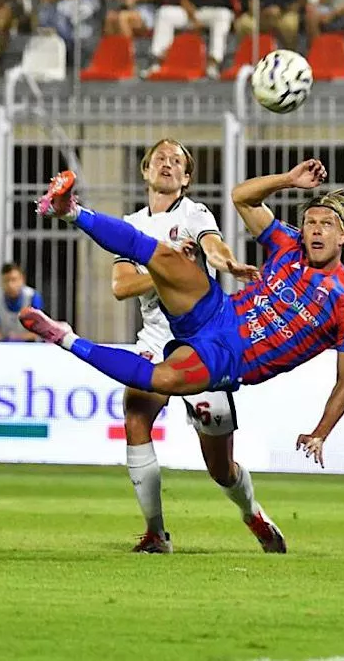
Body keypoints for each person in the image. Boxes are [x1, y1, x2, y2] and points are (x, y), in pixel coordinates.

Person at [21, 160, 344, 480]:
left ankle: (65, 338)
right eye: (311, 223)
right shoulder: (289, 244)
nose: (316, 231)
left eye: (326, 225)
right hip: (218, 311)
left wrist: (321, 433)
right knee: (165, 258)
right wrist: (289, 180)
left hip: (230, 358)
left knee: (164, 381)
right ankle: (71, 211)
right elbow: (241, 197)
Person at [112, 139, 284, 555]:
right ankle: (156, 533)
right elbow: (120, 286)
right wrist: (168, 271)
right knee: (136, 414)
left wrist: (225, 263)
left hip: (201, 342)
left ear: (186, 179)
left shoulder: (195, 214)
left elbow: (214, 247)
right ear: (145, 170)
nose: (167, 164)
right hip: (155, 340)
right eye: (160, 159)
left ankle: (252, 513)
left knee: (221, 469)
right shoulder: (129, 225)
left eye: (177, 161)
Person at [0, 262, 43, 342]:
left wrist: (17, 338)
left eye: (14, 279)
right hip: (3, 345)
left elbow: (38, 331)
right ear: (1, 282)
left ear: (22, 280)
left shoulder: (32, 297)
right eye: (6, 280)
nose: (10, 284)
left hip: (28, 346)